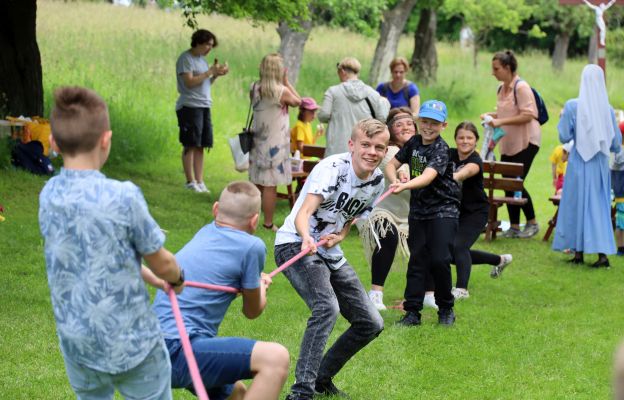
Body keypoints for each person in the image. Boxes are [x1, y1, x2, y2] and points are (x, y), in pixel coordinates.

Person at [39, 86, 184, 399]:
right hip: (133, 346)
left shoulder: (49, 195)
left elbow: (101, 257)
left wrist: (154, 281)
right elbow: (163, 261)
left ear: (52, 142)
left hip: (78, 344)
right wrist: (176, 278)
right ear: (106, 140)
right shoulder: (123, 196)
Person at [274, 118, 388, 400]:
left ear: (385, 151)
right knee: (327, 308)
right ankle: (301, 393)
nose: (372, 152)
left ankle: (321, 379)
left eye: (379, 147)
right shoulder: (332, 169)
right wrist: (306, 236)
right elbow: (303, 212)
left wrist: (341, 233)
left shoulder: (377, 181)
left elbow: (351, 214)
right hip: (295, 245)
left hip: (329, 251)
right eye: (365, 145)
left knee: (370, 323)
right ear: (352, 145)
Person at [152, 181, 289, 400]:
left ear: (215, 209)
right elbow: (252, 311)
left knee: (236, 393)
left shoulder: (206, 232)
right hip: (178, 348)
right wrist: (261, 286)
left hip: (150, 348)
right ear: (255, 221)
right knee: (276, 358)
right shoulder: (252, 246)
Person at [386, 100, 460, 327]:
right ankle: (412, 313)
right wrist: (395, 180)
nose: (428, 127)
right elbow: (391, 164)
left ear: (444, 125)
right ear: (419, 122)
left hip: (443, 210)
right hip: (418, 211)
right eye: (425, 122)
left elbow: (428, 176)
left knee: (439, 259)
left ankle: (446, 309)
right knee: (417, 260)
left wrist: (405, 187)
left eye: (434, 123)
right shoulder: (414, 142)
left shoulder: (441, 148)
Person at [358, 107, 434, 310]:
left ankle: (427, 294)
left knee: (428, 245)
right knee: (388, 235)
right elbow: (393, 165)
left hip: (412, 215)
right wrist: (401, 174)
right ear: (391, 130)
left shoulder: (426, 150)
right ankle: (375, 294)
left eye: (409, 123)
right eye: (399, 124)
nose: (405, 127)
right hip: (383, 211)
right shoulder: (387, 150)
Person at [553, 64, 622, 267]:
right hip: (599, 164)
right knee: (598, 206)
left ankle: (578, 253)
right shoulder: (608, 110)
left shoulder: (573, 106)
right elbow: (615, 143)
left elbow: (564, 135)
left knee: (576, 205)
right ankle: (601, 255)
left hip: (578, 162)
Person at [481, 50, 542, 239]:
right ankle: (514, 227)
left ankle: (532, 223)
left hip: (527, 141)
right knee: (507, 182)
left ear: (507, 68)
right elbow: (506, 114)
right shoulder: (501, 88)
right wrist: (491, 117)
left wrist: (499, 122)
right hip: (508, 141)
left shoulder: (521, 87)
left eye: (496, 68)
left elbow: (529, 114)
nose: (493, 72)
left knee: (516, 182)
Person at [450, 121, 513, 300]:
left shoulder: (475, 160)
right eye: (461, 137)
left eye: (469, 138)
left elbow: (466, 172)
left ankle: (462, 290)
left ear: (476, 141)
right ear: (455, 139)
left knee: (458, 246)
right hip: (457, 212)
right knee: (451, 254)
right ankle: (499, 260)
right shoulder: (450, 154)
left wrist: (451, 176)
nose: (465, 141)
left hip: (476, 213)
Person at [250, 53, 301, 232]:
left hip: (257, 141)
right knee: (270, 186)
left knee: (256, 183)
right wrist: (286, 81)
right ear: (278, 71)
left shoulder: (254, 87)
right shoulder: (282, 91)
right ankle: (268, 223)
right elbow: (299, 101)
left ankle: (251, 219)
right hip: (276, 145)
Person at [175, 29, 229, 193]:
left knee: (202, 145)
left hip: (204, 105)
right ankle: (190, 181)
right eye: (208, 44)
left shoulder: (203, 61)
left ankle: (200, 181)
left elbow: (204, 84)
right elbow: (189, 82)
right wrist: (209, 72)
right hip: (190, 105)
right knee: (190, 143)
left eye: (212, 46)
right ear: (198, 42)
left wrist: (216, 75)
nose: (209, 49)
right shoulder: (186, 59)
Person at [318, 57, 389, 156]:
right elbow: (381, 119)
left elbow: (323, 115)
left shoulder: (333, 91)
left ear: (342, 71)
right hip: (363, 150)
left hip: (336, 149)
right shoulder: (373, 94)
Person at [612, 121, 624, 256]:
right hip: (621, 193)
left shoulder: (617, 150)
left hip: (619, 193)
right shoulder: (620, 152)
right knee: (621, 221)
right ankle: (621, 248)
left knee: (621, 220)